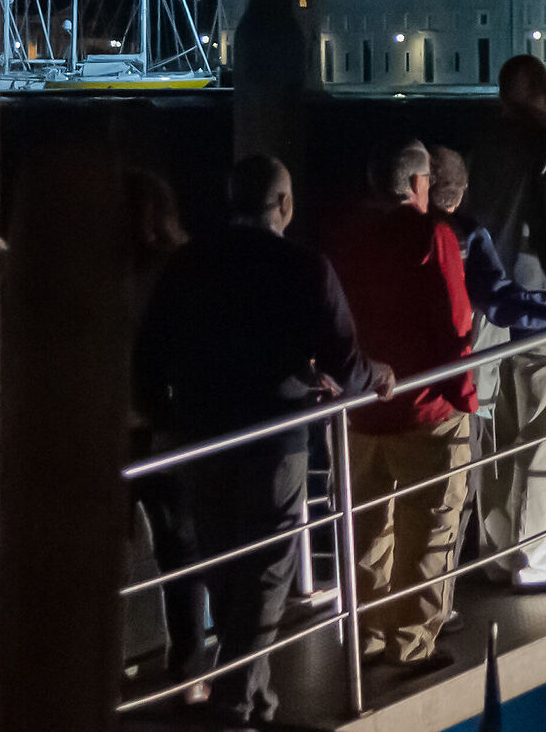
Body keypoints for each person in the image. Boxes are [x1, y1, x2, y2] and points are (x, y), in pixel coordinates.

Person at [134, 155, 395, 724]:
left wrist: (164, 417)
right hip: (276, 435)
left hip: (201, 437)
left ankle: (246, 690)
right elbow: (346, 364)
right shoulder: (304, 266)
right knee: (269, 567)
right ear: (283, 204)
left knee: (224, 565)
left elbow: (148, 357)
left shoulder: (187, 264)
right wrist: (376, 374)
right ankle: (239, 698)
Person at [324, 140, 482, 674]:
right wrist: (464, 396)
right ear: (419, 185)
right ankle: (412, 642)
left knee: (366, 531)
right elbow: (456, 323)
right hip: (425, 409)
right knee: (430, 528)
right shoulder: (431, 233)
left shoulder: (342, 236)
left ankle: (365, 636)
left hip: (359, 411)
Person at [462, 56, 546, 588]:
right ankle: (537, 559)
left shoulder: (483, 147)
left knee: (498, 435)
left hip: (492, 311)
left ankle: (496, 553)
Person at [124, 170, 209, 688]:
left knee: (108, 548)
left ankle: (111, 657)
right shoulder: (180, 269)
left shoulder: (96, 273)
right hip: (166, 423)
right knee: (181, 546)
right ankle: (189, 666)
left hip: (108, 424)